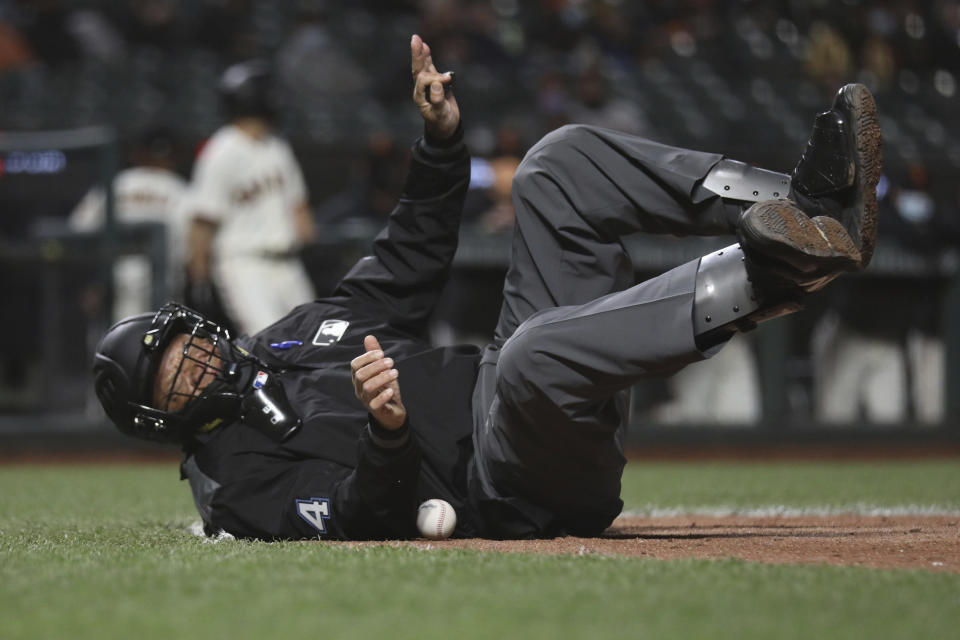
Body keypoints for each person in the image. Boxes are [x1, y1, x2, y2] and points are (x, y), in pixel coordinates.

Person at [91, 35, 881, 540]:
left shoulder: (291, 334)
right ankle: (775, 271)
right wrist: (388, 432)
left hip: (510, 379)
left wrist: (441, 144)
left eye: (187, 345)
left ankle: (809, 208)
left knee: (557, 163)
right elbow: (355, 515)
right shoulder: (234, 484)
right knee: (536, 355)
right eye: (176, 379)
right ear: (162, 421)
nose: (196, 363)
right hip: (510, 481)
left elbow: (410, 256)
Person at [183, 58, 318, 336]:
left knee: (312, 340)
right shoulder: (221, 150)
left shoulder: (277, 146)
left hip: (288, 264)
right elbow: (203, 222)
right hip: (244, 265)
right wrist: (199, 280)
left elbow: (300, 210)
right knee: (267, 345)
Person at [68, 126, 188, 322]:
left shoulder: (117, 183)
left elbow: (77, 231)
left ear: (138, 154)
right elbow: (189, 249)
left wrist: (89, 281)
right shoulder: (179, 189)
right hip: (161, 289)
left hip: (113, 285)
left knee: (111, 346)